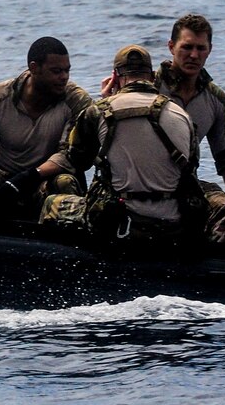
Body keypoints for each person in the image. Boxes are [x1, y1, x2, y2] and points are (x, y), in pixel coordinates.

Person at [41, 44, 201, 253]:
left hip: (121, 226)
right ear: (152, 77)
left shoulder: (98, 111)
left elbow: (77, 160)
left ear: (115, 77)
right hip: (173, 226)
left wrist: (105, 101)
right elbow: (192, 168)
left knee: (52, 203)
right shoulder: (182, 115)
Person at [0, 36, 92, 217]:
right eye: (56, 71)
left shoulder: (76, 101)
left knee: (65, 181)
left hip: (45, 178)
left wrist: (27, 178)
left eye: (67, 71)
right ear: (34, 68)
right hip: (6, 177)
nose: (64, 77)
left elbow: (70, 156)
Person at [154, 14, 225, 247]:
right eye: (187, 47)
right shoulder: (147, 87)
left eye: (201, 48)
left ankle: (206, 264)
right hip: (139, 183)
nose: (194, 55)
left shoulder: (217, 102)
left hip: (185, 186)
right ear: (171, 47)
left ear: (210, 50)